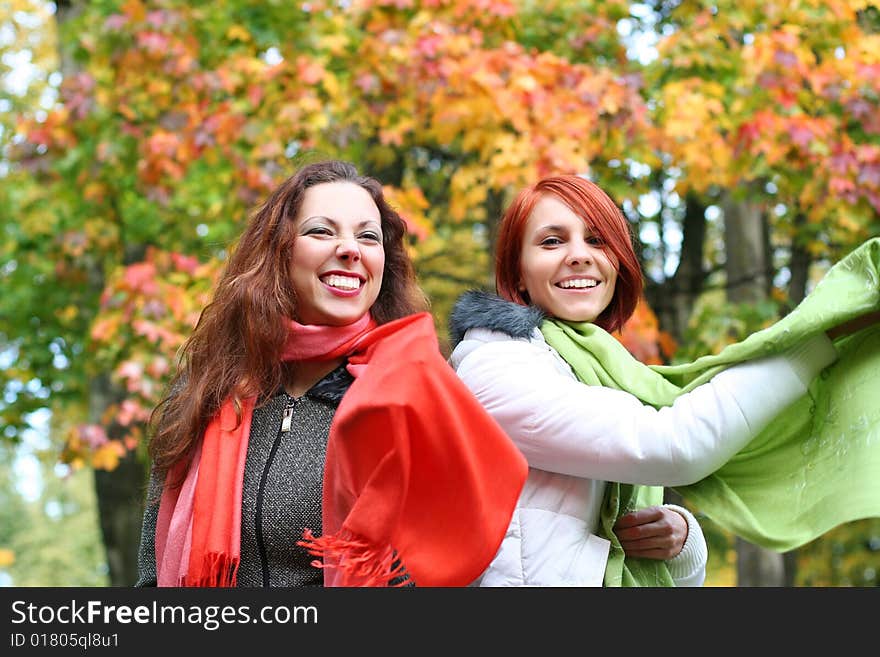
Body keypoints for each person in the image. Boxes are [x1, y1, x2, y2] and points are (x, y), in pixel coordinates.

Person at [449, 173, 880, 587]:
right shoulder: (495, 364)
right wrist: (816, 339)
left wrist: (682, 540)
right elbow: (671, 445)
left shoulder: (612, 376)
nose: (579, 254)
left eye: (596, 239)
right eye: (551, 241)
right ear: (519, 273)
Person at [135, 159, 529, 587]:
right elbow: (151, 578)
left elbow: (449, 564)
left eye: (368, 236)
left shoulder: (411, 393)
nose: (350, 248)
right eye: (322, 231)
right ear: (279, 250)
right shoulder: (207, 391)